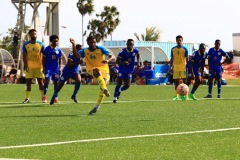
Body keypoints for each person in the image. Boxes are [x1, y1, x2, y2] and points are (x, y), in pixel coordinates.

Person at [70, 36, 115, 115]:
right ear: (88, 43)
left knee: (104, 84)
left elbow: (112, 56)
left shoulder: (100, 48)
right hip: (91, 68)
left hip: (104, 68)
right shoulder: (85, 50)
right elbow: (76, 55)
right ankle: (104, 88)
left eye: (94, 42)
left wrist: (108, 60)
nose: (93, 44)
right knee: (97, 72)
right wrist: (73, 44)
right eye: (91, 42)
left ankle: (97, 107)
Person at [113, 39, 141, 103]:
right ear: (127, 44)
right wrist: (123, 63)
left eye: (132, 44)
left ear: (133, 45)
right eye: (129, 44)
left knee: (127, 85)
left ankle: (119, 90)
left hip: (129, 70)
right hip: (122, 69)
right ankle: (115, 98)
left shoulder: (135, 50)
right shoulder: (122, 52)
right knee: (119, 83)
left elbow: (138, 54)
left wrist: (138, 62)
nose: (130, 46)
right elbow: (117, 61)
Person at [22, 29, 45, 103]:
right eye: (32, 34)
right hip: (30, 66)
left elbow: (44, 56)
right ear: (29, 35)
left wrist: (44, 66)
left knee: (40, 82)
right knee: (28, 82)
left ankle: (43, 97)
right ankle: (27, 98)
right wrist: (26, 65)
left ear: (37, 34)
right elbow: (24, 56)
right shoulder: (26, 44)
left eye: (35, 34)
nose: (34, 35)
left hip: (39, 66)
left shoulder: (41, 44)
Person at [42, 35, 63, 103]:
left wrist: (60, 67)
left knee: (56, 82)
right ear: (51, 41)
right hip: (48, 67)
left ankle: (55, 97)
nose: (56, 42)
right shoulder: (47, 49)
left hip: (55, 69)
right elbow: (43, 59)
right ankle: (44, 96)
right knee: (47, 80)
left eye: (57, 41)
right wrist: (44, 68)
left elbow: (60, 59)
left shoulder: (58, 49)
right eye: (54, 41)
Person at [169, 35, 189, 100]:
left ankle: (185, 96)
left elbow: (187, 59)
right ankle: (176, 96)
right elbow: (172, 59)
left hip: (183, 67)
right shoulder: (173, 49)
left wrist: (188, 67)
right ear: (176, 41)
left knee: (185, 81)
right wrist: (171, 68)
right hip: (176, 68)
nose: (179, 41)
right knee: (176, 82)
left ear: (182, 41)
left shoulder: (185, 49)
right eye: (178, 40)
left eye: (180, 40)